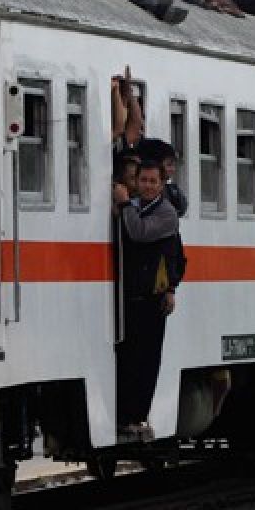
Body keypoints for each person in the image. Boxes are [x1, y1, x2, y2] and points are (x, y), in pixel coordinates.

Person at [113, 162, 185, 435]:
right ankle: (125, 413)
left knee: (146, 359)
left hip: (152, 297)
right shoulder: (137, 206)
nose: (147, 185)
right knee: (129, 357)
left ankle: (136, 413)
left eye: (153, 181)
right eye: (143, 180)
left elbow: (138, 233)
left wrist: (123, 206)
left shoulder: (167, 214)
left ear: (162, 183)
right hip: (133, 294)